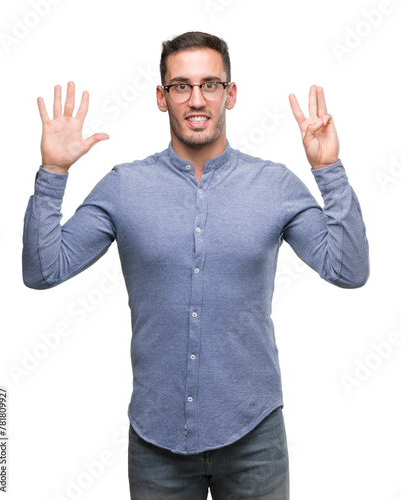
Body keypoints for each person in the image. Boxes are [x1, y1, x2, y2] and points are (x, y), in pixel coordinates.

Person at [22, 31, 369, 499]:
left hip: (254, 436)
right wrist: (53, 173)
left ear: (231, 94)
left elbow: (348, 271)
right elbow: (43, 271)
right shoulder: (125, 187)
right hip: (155, 440)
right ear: (162, 98)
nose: (197, 99)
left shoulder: (274, 185)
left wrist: (329, 170)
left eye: (210, 84)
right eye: (181, 86)